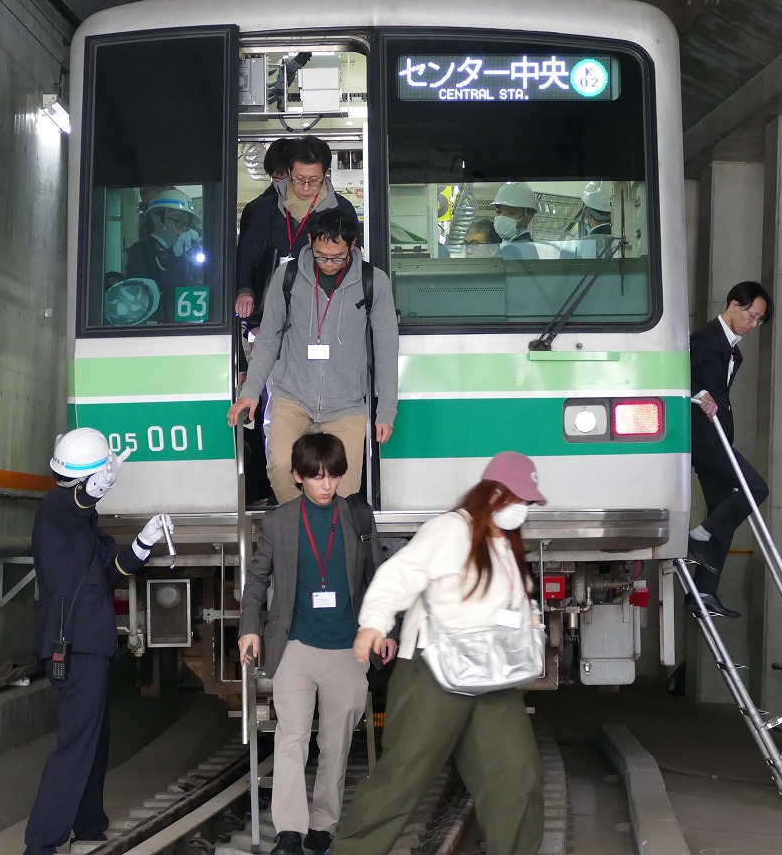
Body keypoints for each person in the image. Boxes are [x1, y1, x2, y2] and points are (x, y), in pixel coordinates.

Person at [331, 452, 548, 855]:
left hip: (491, 676)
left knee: (517, 776)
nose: (523, 508)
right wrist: (373, 623)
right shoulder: (451, 529)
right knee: (403, 779)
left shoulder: (505, 544)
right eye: (518, 498)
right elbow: (399, 574)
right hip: (433, 671)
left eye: (528, 501)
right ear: (492, 493)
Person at [238, 433, 398, 855]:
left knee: (335, 744)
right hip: (296, 646)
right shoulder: (279, 523)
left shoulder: (357, 517)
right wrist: (249, 627)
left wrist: (386, 629)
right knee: (291, 737)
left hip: (348, 649)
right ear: (298, 476)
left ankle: (323, 827)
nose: (326, 485)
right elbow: (257, 578)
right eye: (317, 477)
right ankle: (289, 833)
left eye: (333, 476)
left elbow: (379, 577)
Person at [23, 428, 172, 855]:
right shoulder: (57, 509)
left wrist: (142, 544)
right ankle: (41, 844)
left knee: (94, 739)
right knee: (77, 744)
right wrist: (97, 486)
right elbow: (75, 501)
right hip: (76, 645)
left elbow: (106, 576)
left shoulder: (81, 525)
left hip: (89, 644)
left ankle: (89, 826)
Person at [226, 209, 399, 504]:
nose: (329, 264)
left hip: (346, 403)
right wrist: (251, 391)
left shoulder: (374, 281)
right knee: (281, 469)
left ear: (352, 245)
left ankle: (330, 531)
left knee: (343, 489)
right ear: (309, 241)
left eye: (337, 257)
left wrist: (386, 411)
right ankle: (298, 527)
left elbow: (386, 348)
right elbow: (268, 338)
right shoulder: (288, 276)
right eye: (321, 256)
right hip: (293, 396)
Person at [686, 280, 772, 618]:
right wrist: (700, 394)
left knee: (724, 514)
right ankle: (698, 537)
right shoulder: (707, 337)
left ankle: (702, 593)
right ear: (734, 305)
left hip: (717, 437)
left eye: (759, 320)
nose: (754, 324)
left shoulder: (731, 347)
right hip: (704, 438)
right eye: (752, 316)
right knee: (756, 488)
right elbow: (676, 371)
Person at [235, 135, 359, 324]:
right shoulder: (267, 208)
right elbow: (247, 252)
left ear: (326, 173)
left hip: (323, 310)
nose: (306, 187)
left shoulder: (341, 209)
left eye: (314, 180)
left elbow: (353, 259)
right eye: (299, 179)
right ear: (289, 171)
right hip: (271, 306)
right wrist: (244, 289)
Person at [124, 188, 205, 324]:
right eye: (179, 221)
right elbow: (151, 292)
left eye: (187, 225)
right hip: (156, 327)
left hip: (183, 325)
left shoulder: (185, 252)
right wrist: (175, 257)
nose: (184, 230)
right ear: (157, 218)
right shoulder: (141, 251)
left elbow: (195, 289)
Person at [239, 138, 293, 241]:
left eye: (289, 179)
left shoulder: (312, 206)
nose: (283, 185)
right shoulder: (255, 209)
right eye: (277, 179)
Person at [490, 183, 556, 260]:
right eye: (499, 211)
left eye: (511, 213)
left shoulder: (513, 250)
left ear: (527, 218)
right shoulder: (525, 247)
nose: (502, 218)